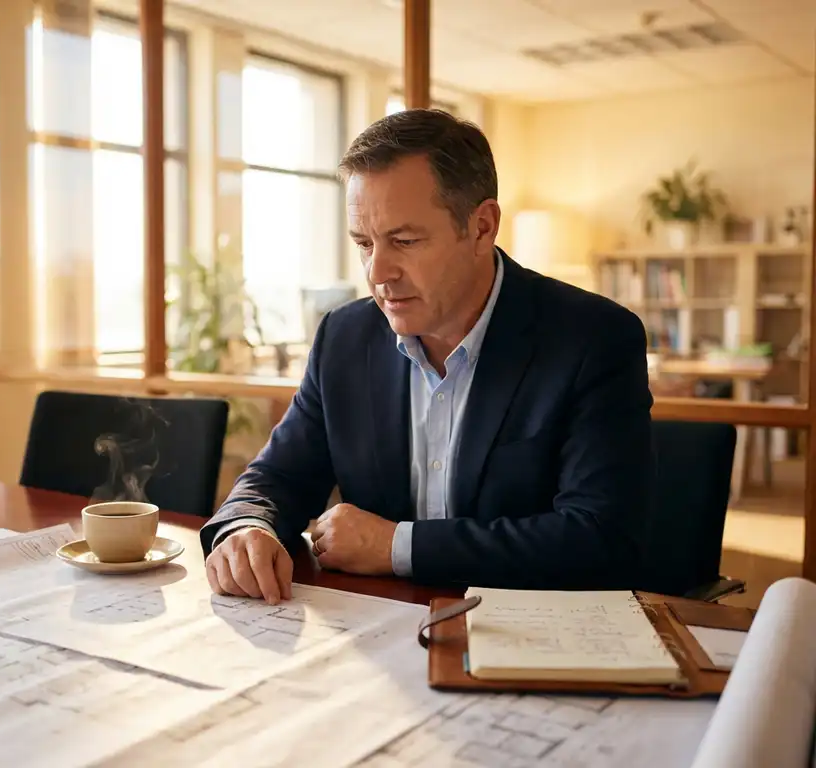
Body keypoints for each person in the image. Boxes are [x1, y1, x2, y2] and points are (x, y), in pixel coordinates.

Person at [201, 109, 654, 605]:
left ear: (482, 227)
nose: (378, 273)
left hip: (532, 635)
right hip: (380, 633)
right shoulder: (344, 337)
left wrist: (396, 546)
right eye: (363, 243)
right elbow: (276, 477)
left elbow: (600, 539)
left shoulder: (593, 338)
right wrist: (247, 527)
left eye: (404, 241)